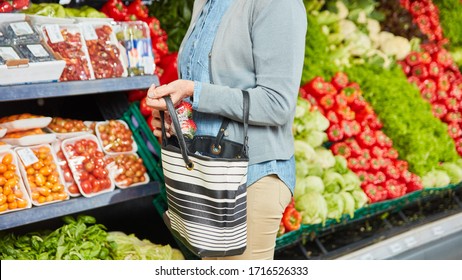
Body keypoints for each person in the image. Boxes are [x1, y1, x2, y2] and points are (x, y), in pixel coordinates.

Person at [146, 0, 307, 260]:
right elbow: (213, 87)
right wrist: (178, 120)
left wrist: (194, 92)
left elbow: (277, 104)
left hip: (250, 180)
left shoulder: (278, 4)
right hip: (206, 176)